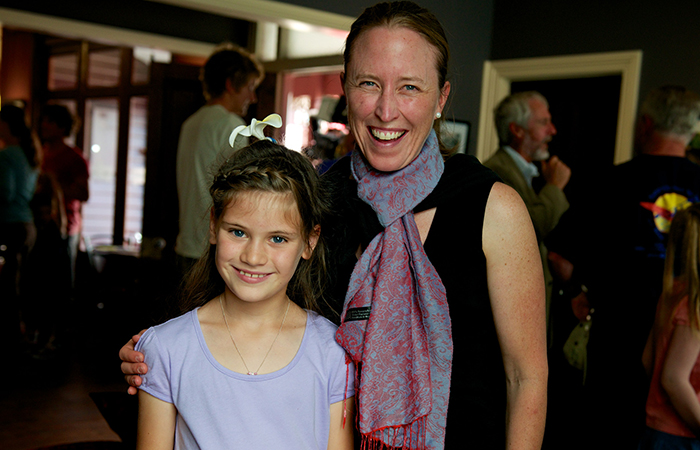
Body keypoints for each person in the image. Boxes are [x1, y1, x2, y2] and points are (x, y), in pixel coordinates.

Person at [121, 2, 548, 449]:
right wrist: (156, 358)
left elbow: (527, 376)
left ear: (440, 98)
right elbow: (250, 318)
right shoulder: (318, 199)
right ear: (345, 86)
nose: (386, 110)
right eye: (369, 83)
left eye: (409, 88)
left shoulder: (491, 207)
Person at [135, 137, 354, 449]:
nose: (253, 257)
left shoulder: (332, 353)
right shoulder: (167, 348)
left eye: (278, 239)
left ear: (309, 241)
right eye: (238, 232)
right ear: (214, 225)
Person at [547, 85, 700, 449]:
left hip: (616, 348)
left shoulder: (609, 182)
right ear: (691, 131)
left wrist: (578, 292)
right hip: (688, 351)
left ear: (645, 124)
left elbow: (559, 258)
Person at [484, 91, 571, 336]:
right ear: (517, 130)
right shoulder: (497, 171)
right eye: (544, 123)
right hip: (511, 318)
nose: (553, 130)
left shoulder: (529, 174)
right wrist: (554, 187)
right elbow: (531, 228)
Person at [174, 44, 264, 276]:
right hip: (212, 248)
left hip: (185, 244)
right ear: (231, 85)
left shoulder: (190, 123)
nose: (252, 97)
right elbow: (238, 190)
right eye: (250, 87)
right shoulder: (231, 125)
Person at [639, 203, 700, 449]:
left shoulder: (673, 292)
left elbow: (647, 359)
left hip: (656, 431)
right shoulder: (695, 302)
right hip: (681, 439)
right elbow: (673, 379)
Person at [0, 104, 40, 354]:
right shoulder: (28, 152)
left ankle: (11, 338)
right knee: (20, 283)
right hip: (27, 224)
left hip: (11, 225)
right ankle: (22, 335)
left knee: (9, 286)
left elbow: (5, 193)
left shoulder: (7, 155)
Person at [39, 104, 89, 292]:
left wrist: (54, 185)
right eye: (43, 120)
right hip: (42, 223)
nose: (44, 125)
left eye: (50, 121)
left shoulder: (74, 157)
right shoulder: (40, 152)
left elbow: (84, 193)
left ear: (62, 127)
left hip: (65, 225)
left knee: (61, 282)